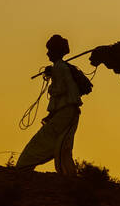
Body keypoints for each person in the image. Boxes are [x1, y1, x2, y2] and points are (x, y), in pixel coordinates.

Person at [16, 34, 83, 174]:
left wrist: (52, 78)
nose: (47, 53)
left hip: (66, 111)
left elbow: (60, 90)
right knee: (64, 146)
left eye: (50, 50)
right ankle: (69, 176)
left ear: (55, 51)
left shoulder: (60, 68)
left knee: (47, 143)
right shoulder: (61, 67)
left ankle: (23, 167)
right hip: (67, 112)